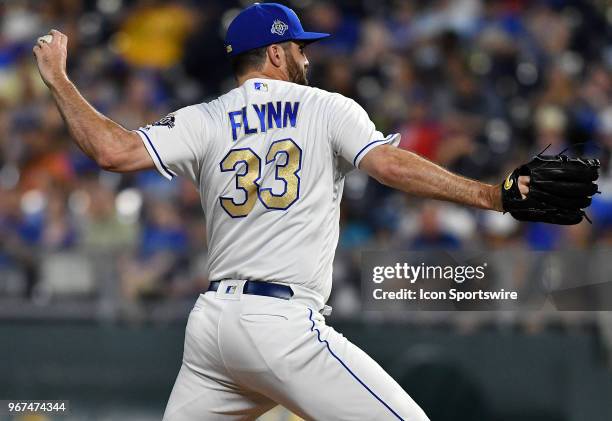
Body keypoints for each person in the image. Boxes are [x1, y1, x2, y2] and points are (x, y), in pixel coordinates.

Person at [33, 3, 531, 420]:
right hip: (280, 322)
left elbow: (112, 152)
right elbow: (389, 166)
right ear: (275, 52)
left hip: (212, 330)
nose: (305, 58)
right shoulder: (325, 107)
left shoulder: (204, 118)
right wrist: (490, 196)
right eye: (299, 47)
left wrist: (58, 78)